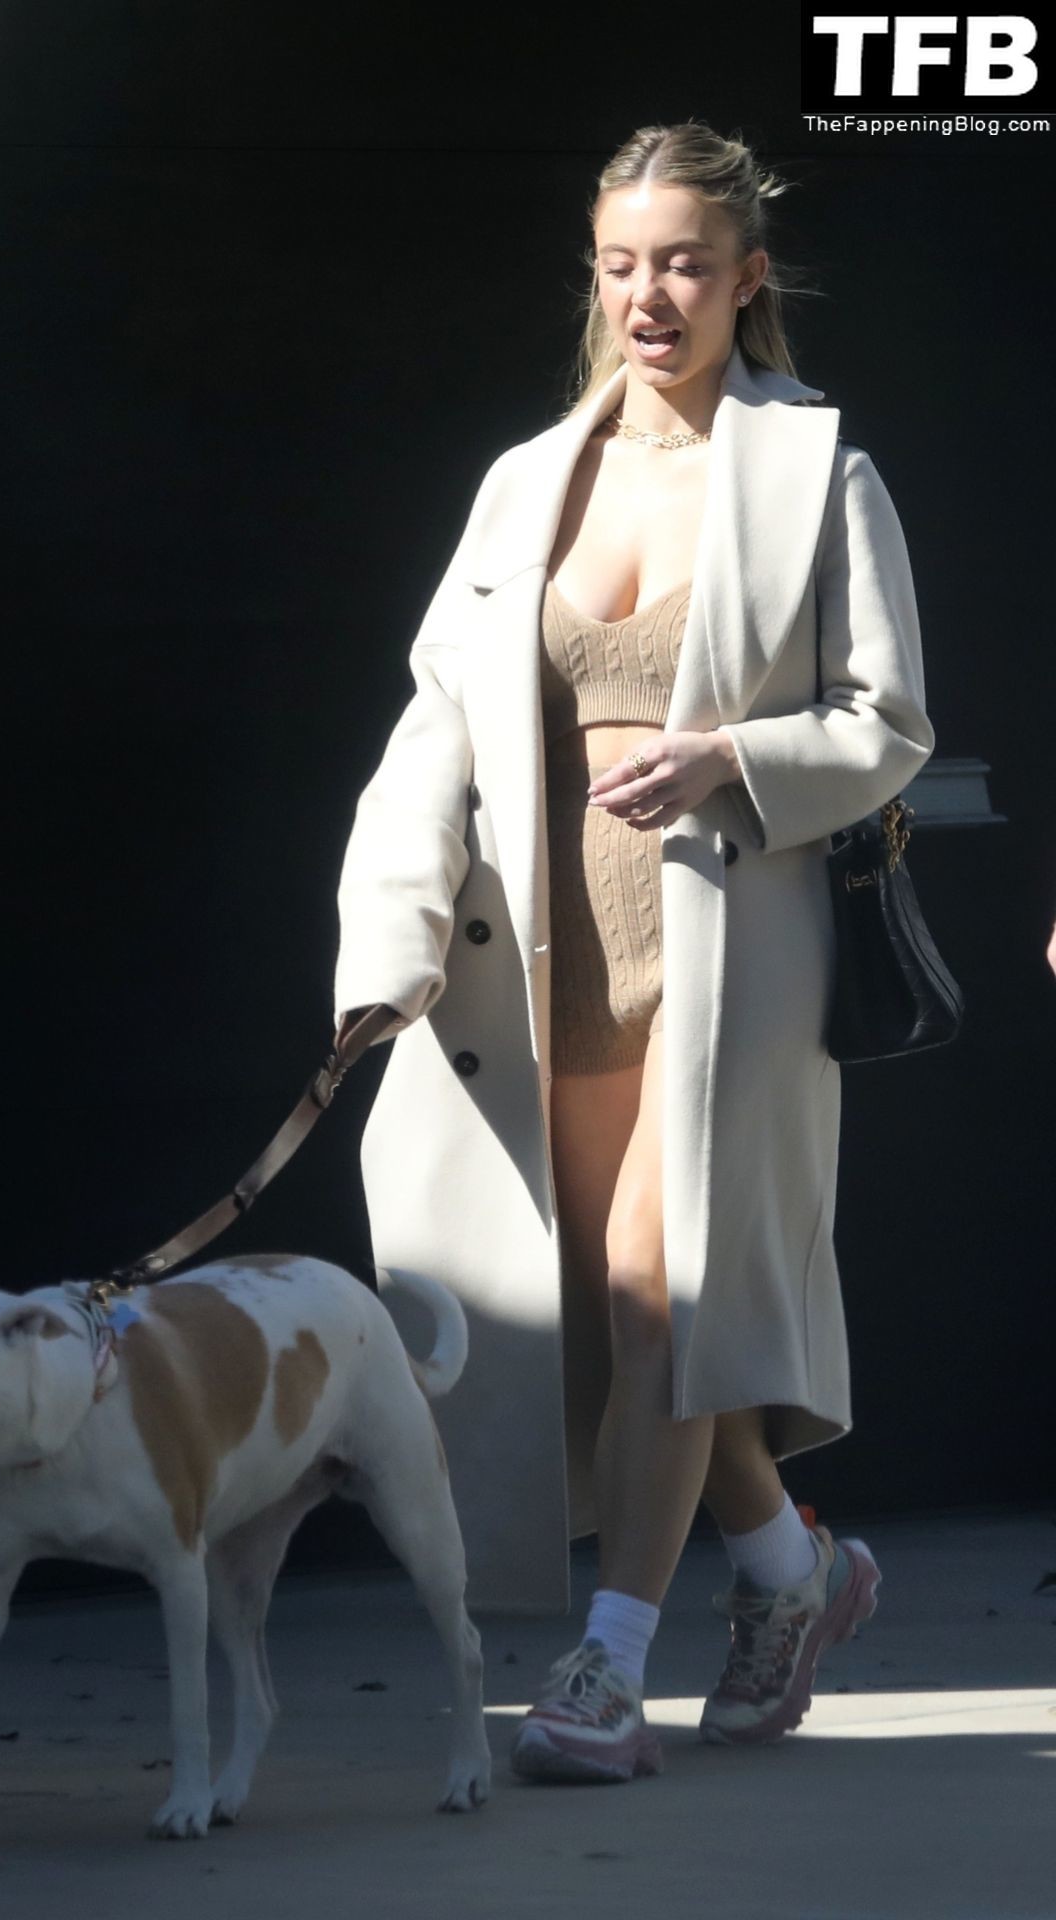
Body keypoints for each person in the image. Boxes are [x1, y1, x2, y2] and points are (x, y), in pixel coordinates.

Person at [331, 121, 934, 1784]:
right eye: (620, 264)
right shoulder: (527, 481)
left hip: (736, 952)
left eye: (682, 263)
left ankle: (605, 1668)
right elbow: (437, 725)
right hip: (551, 959)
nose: (648, 295)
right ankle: (792, 1574)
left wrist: (732, 755)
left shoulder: (820, 471)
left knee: (665, 1293)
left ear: (747, 278)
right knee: (628, 1326)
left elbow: (888, 723)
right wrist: (385, 943)